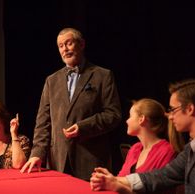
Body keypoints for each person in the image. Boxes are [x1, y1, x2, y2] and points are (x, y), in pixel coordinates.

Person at [90, 78, 195, 194]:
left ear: (190, 109)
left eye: (173, 109)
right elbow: (162, 175)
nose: (170, 116)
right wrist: (115, 180)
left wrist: (118, 185)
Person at [20, 27, 122, 180]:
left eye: (69, 43)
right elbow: (43, 122)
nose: (65, 49)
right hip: (58, 161)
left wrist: (83, 127)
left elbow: (113, 115)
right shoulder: (51, 80)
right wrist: (37, 153)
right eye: (60, 46)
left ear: (81, 44)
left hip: (91, 161)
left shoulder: (102, 75)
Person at [91, 98, 184, 194]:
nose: (127, 121)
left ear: (141, 119)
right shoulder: (135, 148)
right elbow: (123, 179)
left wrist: (117, 185)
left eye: (130, 116)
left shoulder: (166, 151)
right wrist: (107, 179)